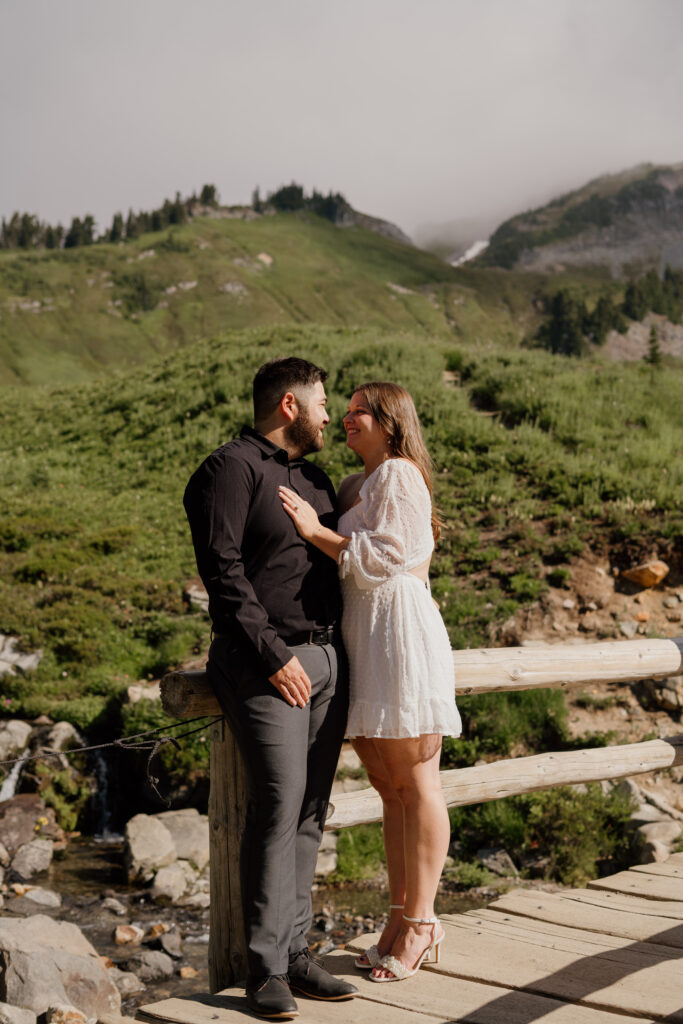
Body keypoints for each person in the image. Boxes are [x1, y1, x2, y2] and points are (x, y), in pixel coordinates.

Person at [184, 357, 357, 1018]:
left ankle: (294, 953)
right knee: (278, 803)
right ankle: (263, 970)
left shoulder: (314, 478)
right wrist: (270, 654)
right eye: (320, 403)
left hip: (326, 659)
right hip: (266, 663)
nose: (327, 416)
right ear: (288, 405)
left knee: (311, 808)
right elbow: (222, 572)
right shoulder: (229, 469)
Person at [279, 381, 461, 983]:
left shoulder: (400, 474)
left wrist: (314, 531)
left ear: (390, 421)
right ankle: (396, 916)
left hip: (399, 632)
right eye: (347, 410)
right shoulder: (363, 481)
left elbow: (385, 557)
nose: (348, 419)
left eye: (360, 411)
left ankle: (425, 921)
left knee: (415, 781)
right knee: (387, 786)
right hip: (368, 634)